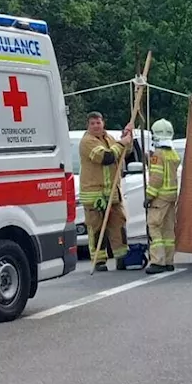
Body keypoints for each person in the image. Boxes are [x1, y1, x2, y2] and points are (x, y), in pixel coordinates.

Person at [79, 111, 133, 272]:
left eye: (98, 122)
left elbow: (123, 153)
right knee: (96, 228)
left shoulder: (108, 138)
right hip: (94, 194)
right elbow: (106, 158)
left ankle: (121, 256)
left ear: (103, 123)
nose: (96, 126)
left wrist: (128, 138)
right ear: (88, 126)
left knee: (118, 225)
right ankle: (99, 260)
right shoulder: (87, 142)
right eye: (92, 123)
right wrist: (122, 143)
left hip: (112, 192)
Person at [144, 118, 181, 274]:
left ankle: (158, 262)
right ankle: (168, 261)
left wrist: (149, 196)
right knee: (167, 230)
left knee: (154, 228)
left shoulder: (158, 154)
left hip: (160, 197)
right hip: (171, 195)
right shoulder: (172, 153)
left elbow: (157, 178)